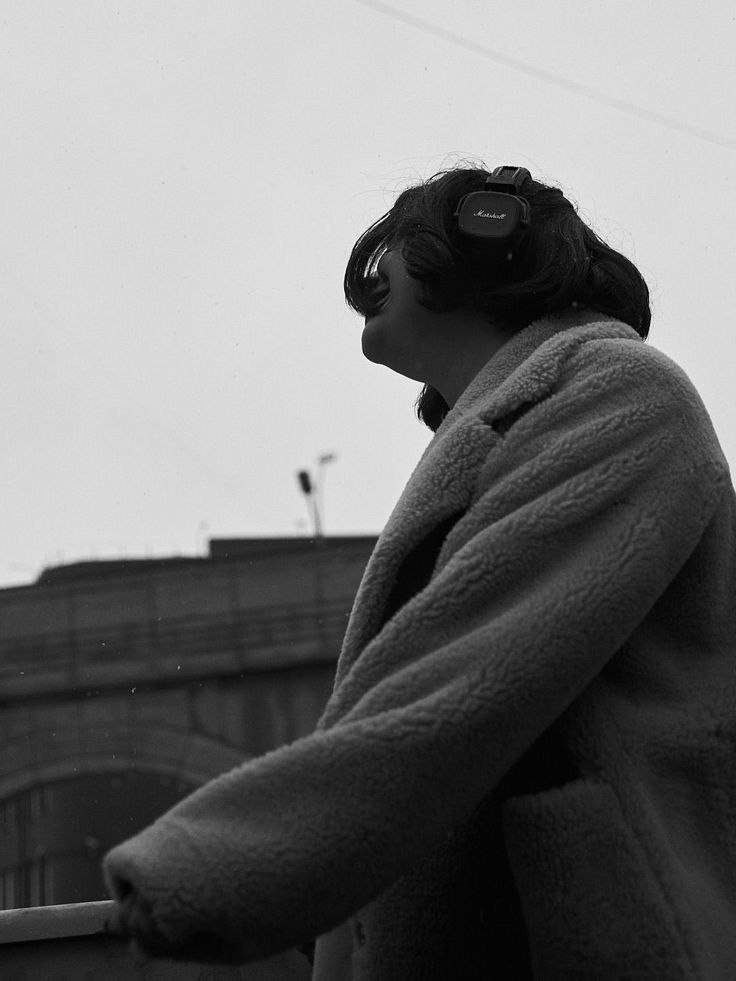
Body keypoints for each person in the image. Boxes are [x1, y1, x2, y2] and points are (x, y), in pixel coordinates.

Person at [102, 165, 736, 980]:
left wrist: (211, 866)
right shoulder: (498, 429)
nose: (370, 279)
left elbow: (472, 668)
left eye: (393, 248)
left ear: (487, 237)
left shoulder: (625, 390)